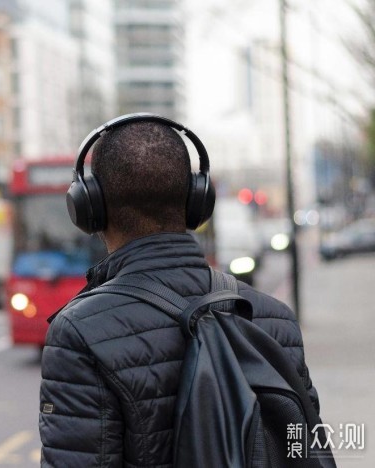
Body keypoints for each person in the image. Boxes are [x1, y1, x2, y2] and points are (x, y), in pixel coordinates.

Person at [39, 115, 321, 467]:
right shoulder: (274, 318)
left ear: (89, 207)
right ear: (196, 201)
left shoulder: (80, 333)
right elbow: (305, 449)